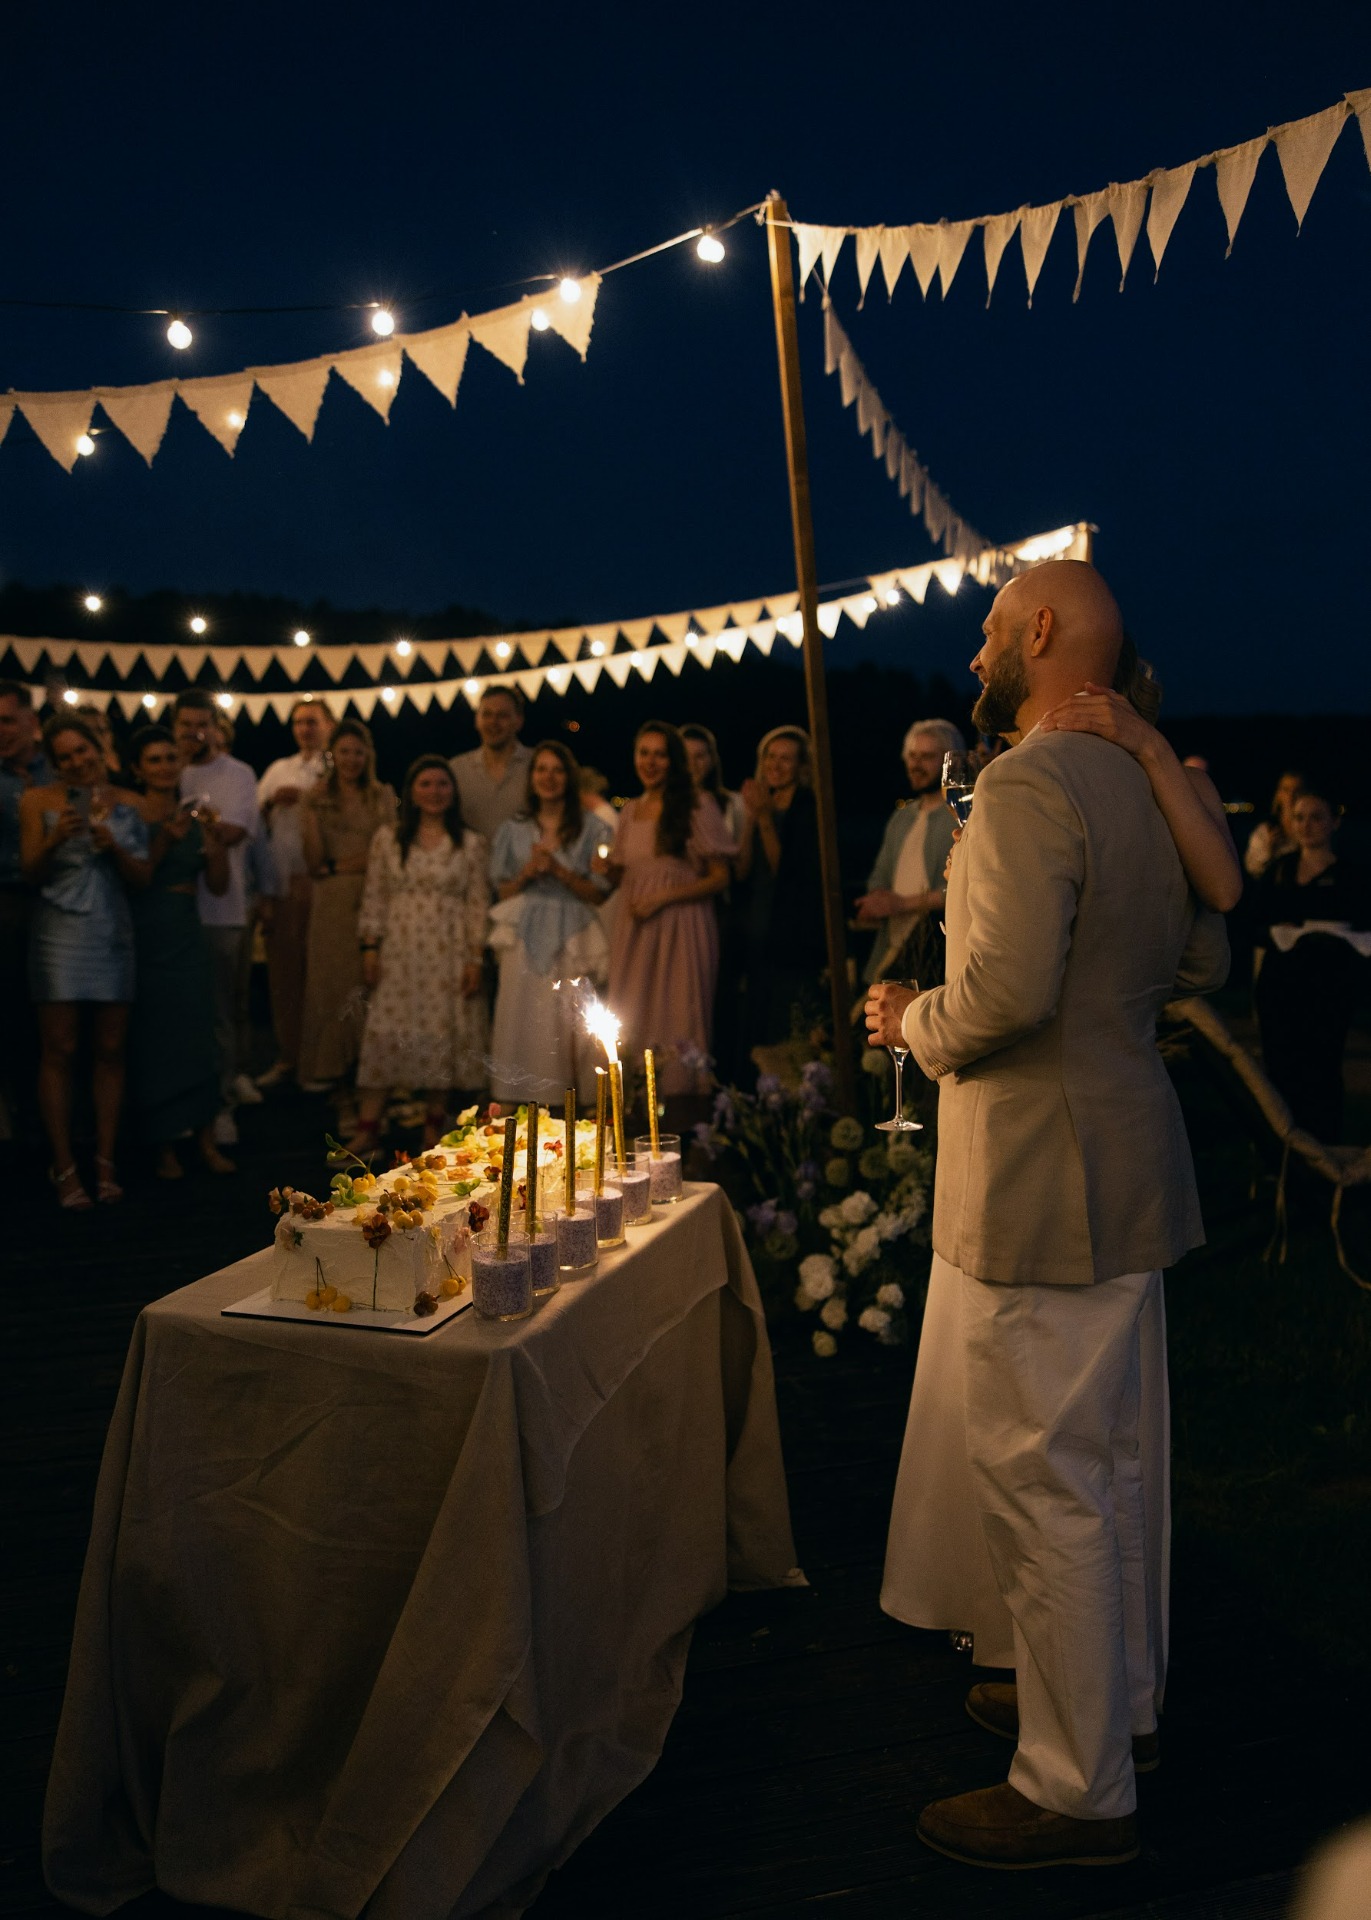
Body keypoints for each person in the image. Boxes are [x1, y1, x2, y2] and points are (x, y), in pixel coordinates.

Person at [866, 560, 1230, 1870]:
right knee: (1108, 1464)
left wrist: (907, 1021)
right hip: (1128, 1159)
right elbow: (1202, 957)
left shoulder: (1024, 785)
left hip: (1039, 1177)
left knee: (1044, 1481)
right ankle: (1112, 1710)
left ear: (1036, 631)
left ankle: (1073, 1789)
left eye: (984, 633)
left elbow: (1005, 996)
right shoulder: (1141, 778)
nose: (973, 656)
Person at [20, 715, 151, 1208]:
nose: (77, 762)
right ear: (55, 764)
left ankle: (106, 1159)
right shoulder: (37, 801)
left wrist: (113, 846)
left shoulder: (130, 803)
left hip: (111, 929)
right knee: (60, 1047)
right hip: (58, 930)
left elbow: (142, 879)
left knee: (111, 1048)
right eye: (65, 756)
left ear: (99, 747)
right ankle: (64, 1164)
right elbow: (29, 872)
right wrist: (55, 839)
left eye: (83, 750)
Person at [351, 756, 489, 1151]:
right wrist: (370, 947)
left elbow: (477, 902)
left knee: (440, 1030)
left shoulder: (470, 844)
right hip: (399, 949)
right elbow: (375, 894)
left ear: (453, 792)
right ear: (411, 792)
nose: (434, 792)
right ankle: (368, 1127)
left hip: (448, 949)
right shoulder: (389, 838)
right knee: (385, 1030)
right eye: (425, 784)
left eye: (442, 784)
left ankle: (433, 1125)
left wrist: (474, 956)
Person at [601, 720, 733, 1097]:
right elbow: (628, 874)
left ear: (673, 760)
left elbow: (720, 877)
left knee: (679, 1011)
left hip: (682, 926)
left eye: (660, 754)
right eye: (644, 753)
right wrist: (609, 870)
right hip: (636, 927)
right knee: (634, 1009)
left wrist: (663, 897)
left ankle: (683, 1103)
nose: (650, 762)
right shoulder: (630, 810)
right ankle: (636, 1103)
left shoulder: (696, 804)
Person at [126, 726, 235, 1179]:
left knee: (197, 1031)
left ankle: (205, 1140)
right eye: (154, 759)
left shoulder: (193, 814)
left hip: (188, 927)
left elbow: (219, 885)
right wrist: (165, 841)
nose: (165, 767)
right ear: (138, 768)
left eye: (171, 758)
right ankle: (164, 1147)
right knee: (158, 1035)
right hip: (150, 928)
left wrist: (215, 846)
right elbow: (136, 878)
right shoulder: (131, 814)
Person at [488, 741, 609, 1104]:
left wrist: (558, 870)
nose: (549, 777)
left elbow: (598, 891)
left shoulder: (591, 827)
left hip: (573, 932)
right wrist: (527, 872)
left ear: (569, 777)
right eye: (541, 769)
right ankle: (518, 1097)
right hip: (524, 929)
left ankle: (571, 1101)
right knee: (521, 1012)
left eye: (557, 770)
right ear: (532, 777)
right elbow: (502, 889)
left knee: (569, 1016)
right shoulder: (514, 828)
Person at [1252, 785, 1368, 1142]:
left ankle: (1323, 1150)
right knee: (1280, 1069)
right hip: (1279, 988)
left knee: (1321, 1068)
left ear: (1335, 822)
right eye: (1299, 817)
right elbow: (1254, 924)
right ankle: (1284, 1152)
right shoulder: (1278, 871)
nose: (1306, 825)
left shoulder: (1351, 876)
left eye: (1316, 817)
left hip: (1328, 991)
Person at [173, 694, 261, 1143]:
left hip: (222, 909)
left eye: (202, 724)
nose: (194, 732)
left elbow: (234, 831)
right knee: (179, 1014)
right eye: (186, 724)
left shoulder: (238, 773)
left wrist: (193, 825)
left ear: (214, 726)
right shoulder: (168, 771)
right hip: (170, 910)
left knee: (222, 1012)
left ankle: (222, 1104)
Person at [297, 721, 397, 1091]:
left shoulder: (382, 796)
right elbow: (314, 863)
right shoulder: (317, 798)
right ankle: (331, 1073)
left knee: (372, 983)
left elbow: (388, 853)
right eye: (344, 752)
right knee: (332, 984)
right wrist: (310, 810)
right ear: (332, 755)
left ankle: (372, 1075)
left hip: (376, 896)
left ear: (368, 755)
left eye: (358, 752)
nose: (351, 759)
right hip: (332, 902)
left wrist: (340, 865)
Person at [734, 726, 825, 1070]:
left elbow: (785, 871)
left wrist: (764, 818)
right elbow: (742, 869)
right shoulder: (760, 802)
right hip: (755, 925)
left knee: (785, 1024)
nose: (775, 765)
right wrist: (750, 818)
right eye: (770, 757)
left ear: (801, 766)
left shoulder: (806, 807)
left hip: (790, 932)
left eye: (786, 759)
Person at [255, 697, 335, 1090]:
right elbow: (254, 824)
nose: (306, 729)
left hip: (325, 884)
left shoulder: (338, 768)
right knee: (285, 976)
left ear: (329, 725)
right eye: (300, 722)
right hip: (283, 885)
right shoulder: (278, 770)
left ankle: (323, 1061)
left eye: (313, 722)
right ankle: (288, 1056)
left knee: (323, 977)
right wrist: (272, 802)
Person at [856, 719, 963, 985]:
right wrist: (875, 900)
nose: (916, 764)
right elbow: (879, 876)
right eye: (912, 756)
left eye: (927, 757)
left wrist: (902, 904)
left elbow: (961, 887)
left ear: (947, 762)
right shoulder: (901, 818)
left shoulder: (958, 817)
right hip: (893, 948)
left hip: (934, 954)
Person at [0, 682, 50, 1142]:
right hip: (7, 902)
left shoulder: (57, 768)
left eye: (6, 720)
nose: (0, 731)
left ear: (31, 722)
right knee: (12, 1010)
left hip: (59, 900)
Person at [448, 684, 532, 843]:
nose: (494, 722)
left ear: (519, 721)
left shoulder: (537, 767)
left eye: (503, 715)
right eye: (487, 714)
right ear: (476, 720)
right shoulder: (457, 770)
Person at [681, 724, 745, 846]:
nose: (691, 764)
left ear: (711, 760)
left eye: (699, 756)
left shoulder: (734, 804)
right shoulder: (659, 804)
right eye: (685, 757)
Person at [1244, 769, 1305, 879]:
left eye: (1297, 790)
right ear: (1278, 794)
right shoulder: (1265, 830)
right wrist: (1268, 850)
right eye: (1286, 789)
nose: (1291, 795)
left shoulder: (1311, 828)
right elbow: (1253, 869)